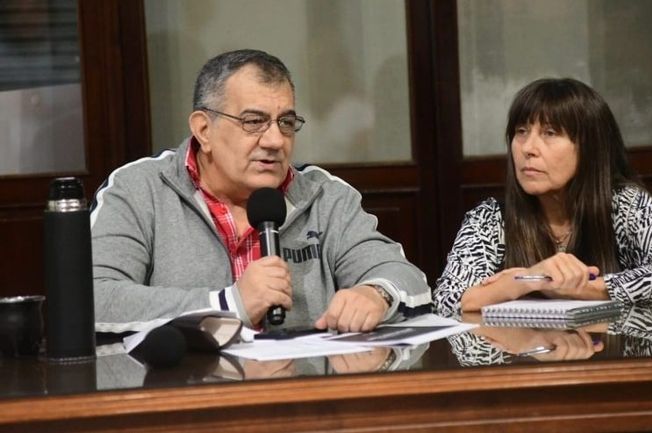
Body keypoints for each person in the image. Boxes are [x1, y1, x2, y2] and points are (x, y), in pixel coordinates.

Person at [91, 49, 431, 332]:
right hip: (185, 389)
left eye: (286, 123)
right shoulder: (138, 190)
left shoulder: (324, 196)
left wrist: (376, 295)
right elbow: (93, 299)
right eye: (253, 122)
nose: (275, 141)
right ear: (204, 130)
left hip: (301, 386)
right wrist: (227, 304)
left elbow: (406, 277)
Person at [435, 78, 652, 316]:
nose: (528, 148)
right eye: (521, 131)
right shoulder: (490, 217)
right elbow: (448, 299)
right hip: (522, 355)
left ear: (589, 147)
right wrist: (529, 278)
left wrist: (583, 288)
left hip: (607, 353)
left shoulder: (626, 205)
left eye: (550, 133)